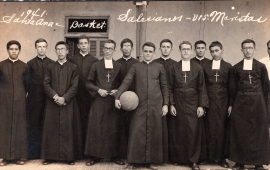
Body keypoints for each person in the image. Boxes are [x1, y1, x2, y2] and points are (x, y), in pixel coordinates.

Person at [115, 42, 169, 170]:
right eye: (146, 51)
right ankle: (133, 161)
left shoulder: (159, 67)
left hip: (156, 104)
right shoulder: (135, 66)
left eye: (150, 51)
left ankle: (151, 161)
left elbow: (165, 87)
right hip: (140, 104)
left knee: (154, 132)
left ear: (154, 53)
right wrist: (117, 97)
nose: (148, 53)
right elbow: (126, 82)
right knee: (136, 132)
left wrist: (166, 104)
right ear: (142, 52)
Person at [168, 41, 209, 170]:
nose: (186, 51)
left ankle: (193, 160)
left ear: (191, 51)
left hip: (193, 102)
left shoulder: (197, 67)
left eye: (188, 49)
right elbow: (169, 87)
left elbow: (202, 88)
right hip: (178, 101)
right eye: (183, 49)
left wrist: (201, 105)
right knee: (178, 130)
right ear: (180, 51)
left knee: (193, 131)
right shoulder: (173, 67)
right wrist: (171, 104)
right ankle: (178, 158)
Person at [229, 39, 269, 170]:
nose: (248, 50)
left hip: (258, 102)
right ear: (241, 50)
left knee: (259, 131)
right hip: (240, 102)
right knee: (240, 131)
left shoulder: (261, 67)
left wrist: (260, 101)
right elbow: (232, 88)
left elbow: (265, 87)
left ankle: (258, 163)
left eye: (250, 48)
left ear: (254, 49)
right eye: (245, 48)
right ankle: (240, 162)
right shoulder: (236, 68)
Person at [84, 39, 124, 166]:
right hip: (99, 101)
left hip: (113, 102)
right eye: (106, 48)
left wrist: (117, 91)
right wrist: (98, 90)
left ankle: (115, 156)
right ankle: (94, 156)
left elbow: (124, 83)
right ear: (103, 49)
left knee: (114, 128)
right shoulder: (96, 65)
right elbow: (88, 83)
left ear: (114, 50)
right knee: (96, 128)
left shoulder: (119, 66)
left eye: (110, 48)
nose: (107, 51)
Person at [42, 41, 82, 165]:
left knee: (68, 129)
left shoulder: (73, 67)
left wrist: (64, 98)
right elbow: (46, 84)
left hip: (68, 103)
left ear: (67, 51)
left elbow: (75, 86)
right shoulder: (50, 66)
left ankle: (69, 157)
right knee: (51, 129)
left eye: (62, 49)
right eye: (58, 49)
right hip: (52, 103)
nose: (60, 52)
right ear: (55, 51)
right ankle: (50, 156)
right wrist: (55, 96)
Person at [203, 41, 232, 167]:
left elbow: (231, 87)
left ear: (222, 51)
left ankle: (221, 158)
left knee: (221, 129)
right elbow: (202, 85)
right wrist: (203, 103)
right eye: (212, 51)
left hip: (223, 101)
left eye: (217, 50)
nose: (214, 53)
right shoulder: (205, 65)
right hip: (209, 100)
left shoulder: (227, 66)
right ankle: (209, 157)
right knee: (208, 128)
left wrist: (230, 104)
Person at [0, 40, 29, 166]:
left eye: (16, 49)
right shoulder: (1, 65)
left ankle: (19, 157)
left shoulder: (24, 66)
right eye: (11, 49)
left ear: (19, 51)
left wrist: (19, 95)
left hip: (19, 101)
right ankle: (5, 157)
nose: (13, 51)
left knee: (20, 127)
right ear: (7, 50)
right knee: (5, 127)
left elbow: (27, 85)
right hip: (4, 102)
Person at [68, 35, 98, 150]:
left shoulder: (94, 60)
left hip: (90, 97)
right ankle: (77, 151)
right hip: (75, 96)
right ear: (78, 45)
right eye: (81, 43)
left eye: (85, 43)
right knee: (76, 123)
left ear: (89, 44)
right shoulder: (72, 60)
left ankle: (88, 150)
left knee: (89, 123)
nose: (84, 45)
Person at [27, 38, 54, 160]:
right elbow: (27, 83)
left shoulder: (52, 63)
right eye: (39, 46)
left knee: (48, 126)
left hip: (49, 100)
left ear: (46, 48)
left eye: (44, 46)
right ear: (36, 48)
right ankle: (34, 154)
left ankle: (47, 153)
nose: (41, 49)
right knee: (34, 125)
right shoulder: (30, 64)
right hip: (34, 100)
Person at [153, 39, 177, 163]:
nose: (166, 49)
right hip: (157, 98)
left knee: (171, 128)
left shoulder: (176, 64)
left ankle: (170, 157)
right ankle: (158, 157)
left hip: (171, 98)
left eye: (168, 47)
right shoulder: (154, 63)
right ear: (160, 48)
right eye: (163, 47)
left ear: (171, 49)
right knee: (158, 128)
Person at [116, 38, 139, 159]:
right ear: (121, 49)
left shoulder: (137, 63)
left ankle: (133, 154)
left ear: (132, 48)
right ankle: (121, 155)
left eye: (128, 46)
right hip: (120, 100)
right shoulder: (117, 63)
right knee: (121, 128)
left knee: (133, 127)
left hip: (134, 100)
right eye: (124, 46)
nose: (126, 48)